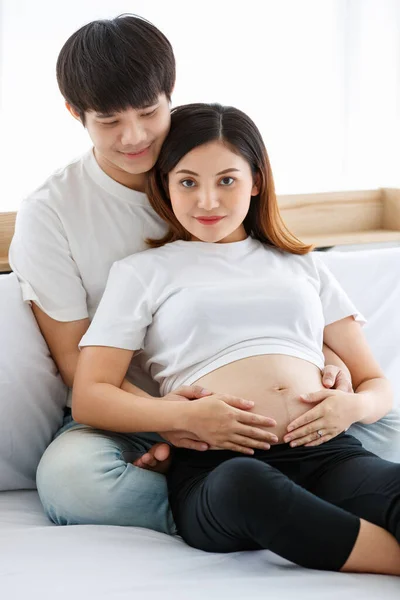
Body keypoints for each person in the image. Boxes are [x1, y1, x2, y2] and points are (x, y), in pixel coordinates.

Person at [6, 15, 390, 533]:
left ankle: (274, 500)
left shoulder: (208, 163)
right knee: (73, 480)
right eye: (109, 121)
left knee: (384, 422)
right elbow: (80, 367)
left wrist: (326, 360)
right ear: (76, 114)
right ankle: (220, 503)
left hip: (272, 412)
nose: (134, 136)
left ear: (170, 95)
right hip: (132, 412)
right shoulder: (51, 213)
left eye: (148, 112)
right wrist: (177, 420)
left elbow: (272, 284)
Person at [72, 102, 400, 575]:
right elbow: (89, 395)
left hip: (325, 452)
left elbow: (375, 381)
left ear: (256, 182)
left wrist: (353, 408)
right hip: (216, 467)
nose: (207, 201)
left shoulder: (301, 264)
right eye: (188, 182)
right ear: (165, 183)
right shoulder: (141, 273)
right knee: (246, 485)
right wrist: (181, 415)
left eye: (227, 180)